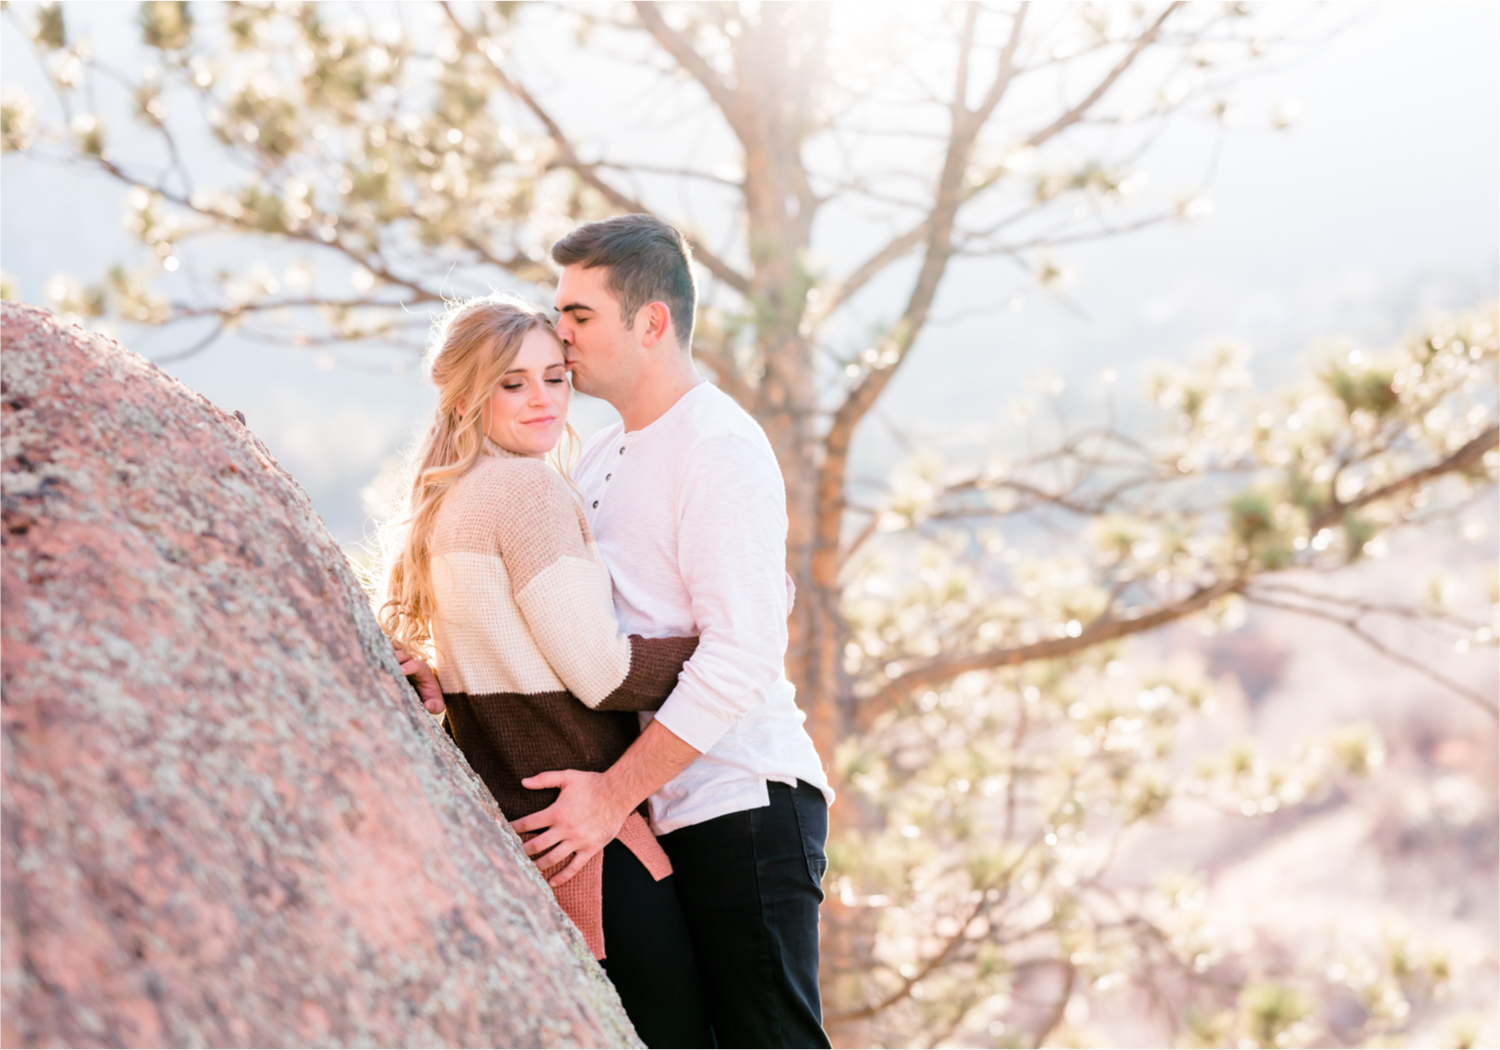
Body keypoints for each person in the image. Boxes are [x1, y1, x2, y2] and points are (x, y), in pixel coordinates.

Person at [512, 214, 835, 1048]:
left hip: (744, 801)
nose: (560, 337)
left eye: (580, 316)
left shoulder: (718, 445)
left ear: (651, 323)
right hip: (659, 815)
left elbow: (743, 654)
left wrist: (611, 795)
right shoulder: (599, 456)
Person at [379, 293, 712, 1049]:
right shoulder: (527, 489)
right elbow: (603, 673)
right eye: (513, 382)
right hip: (595, 848)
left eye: (555, 377)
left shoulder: (453, 501)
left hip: (521, 846)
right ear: (468, 395)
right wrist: (717, 644)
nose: (542, 399)